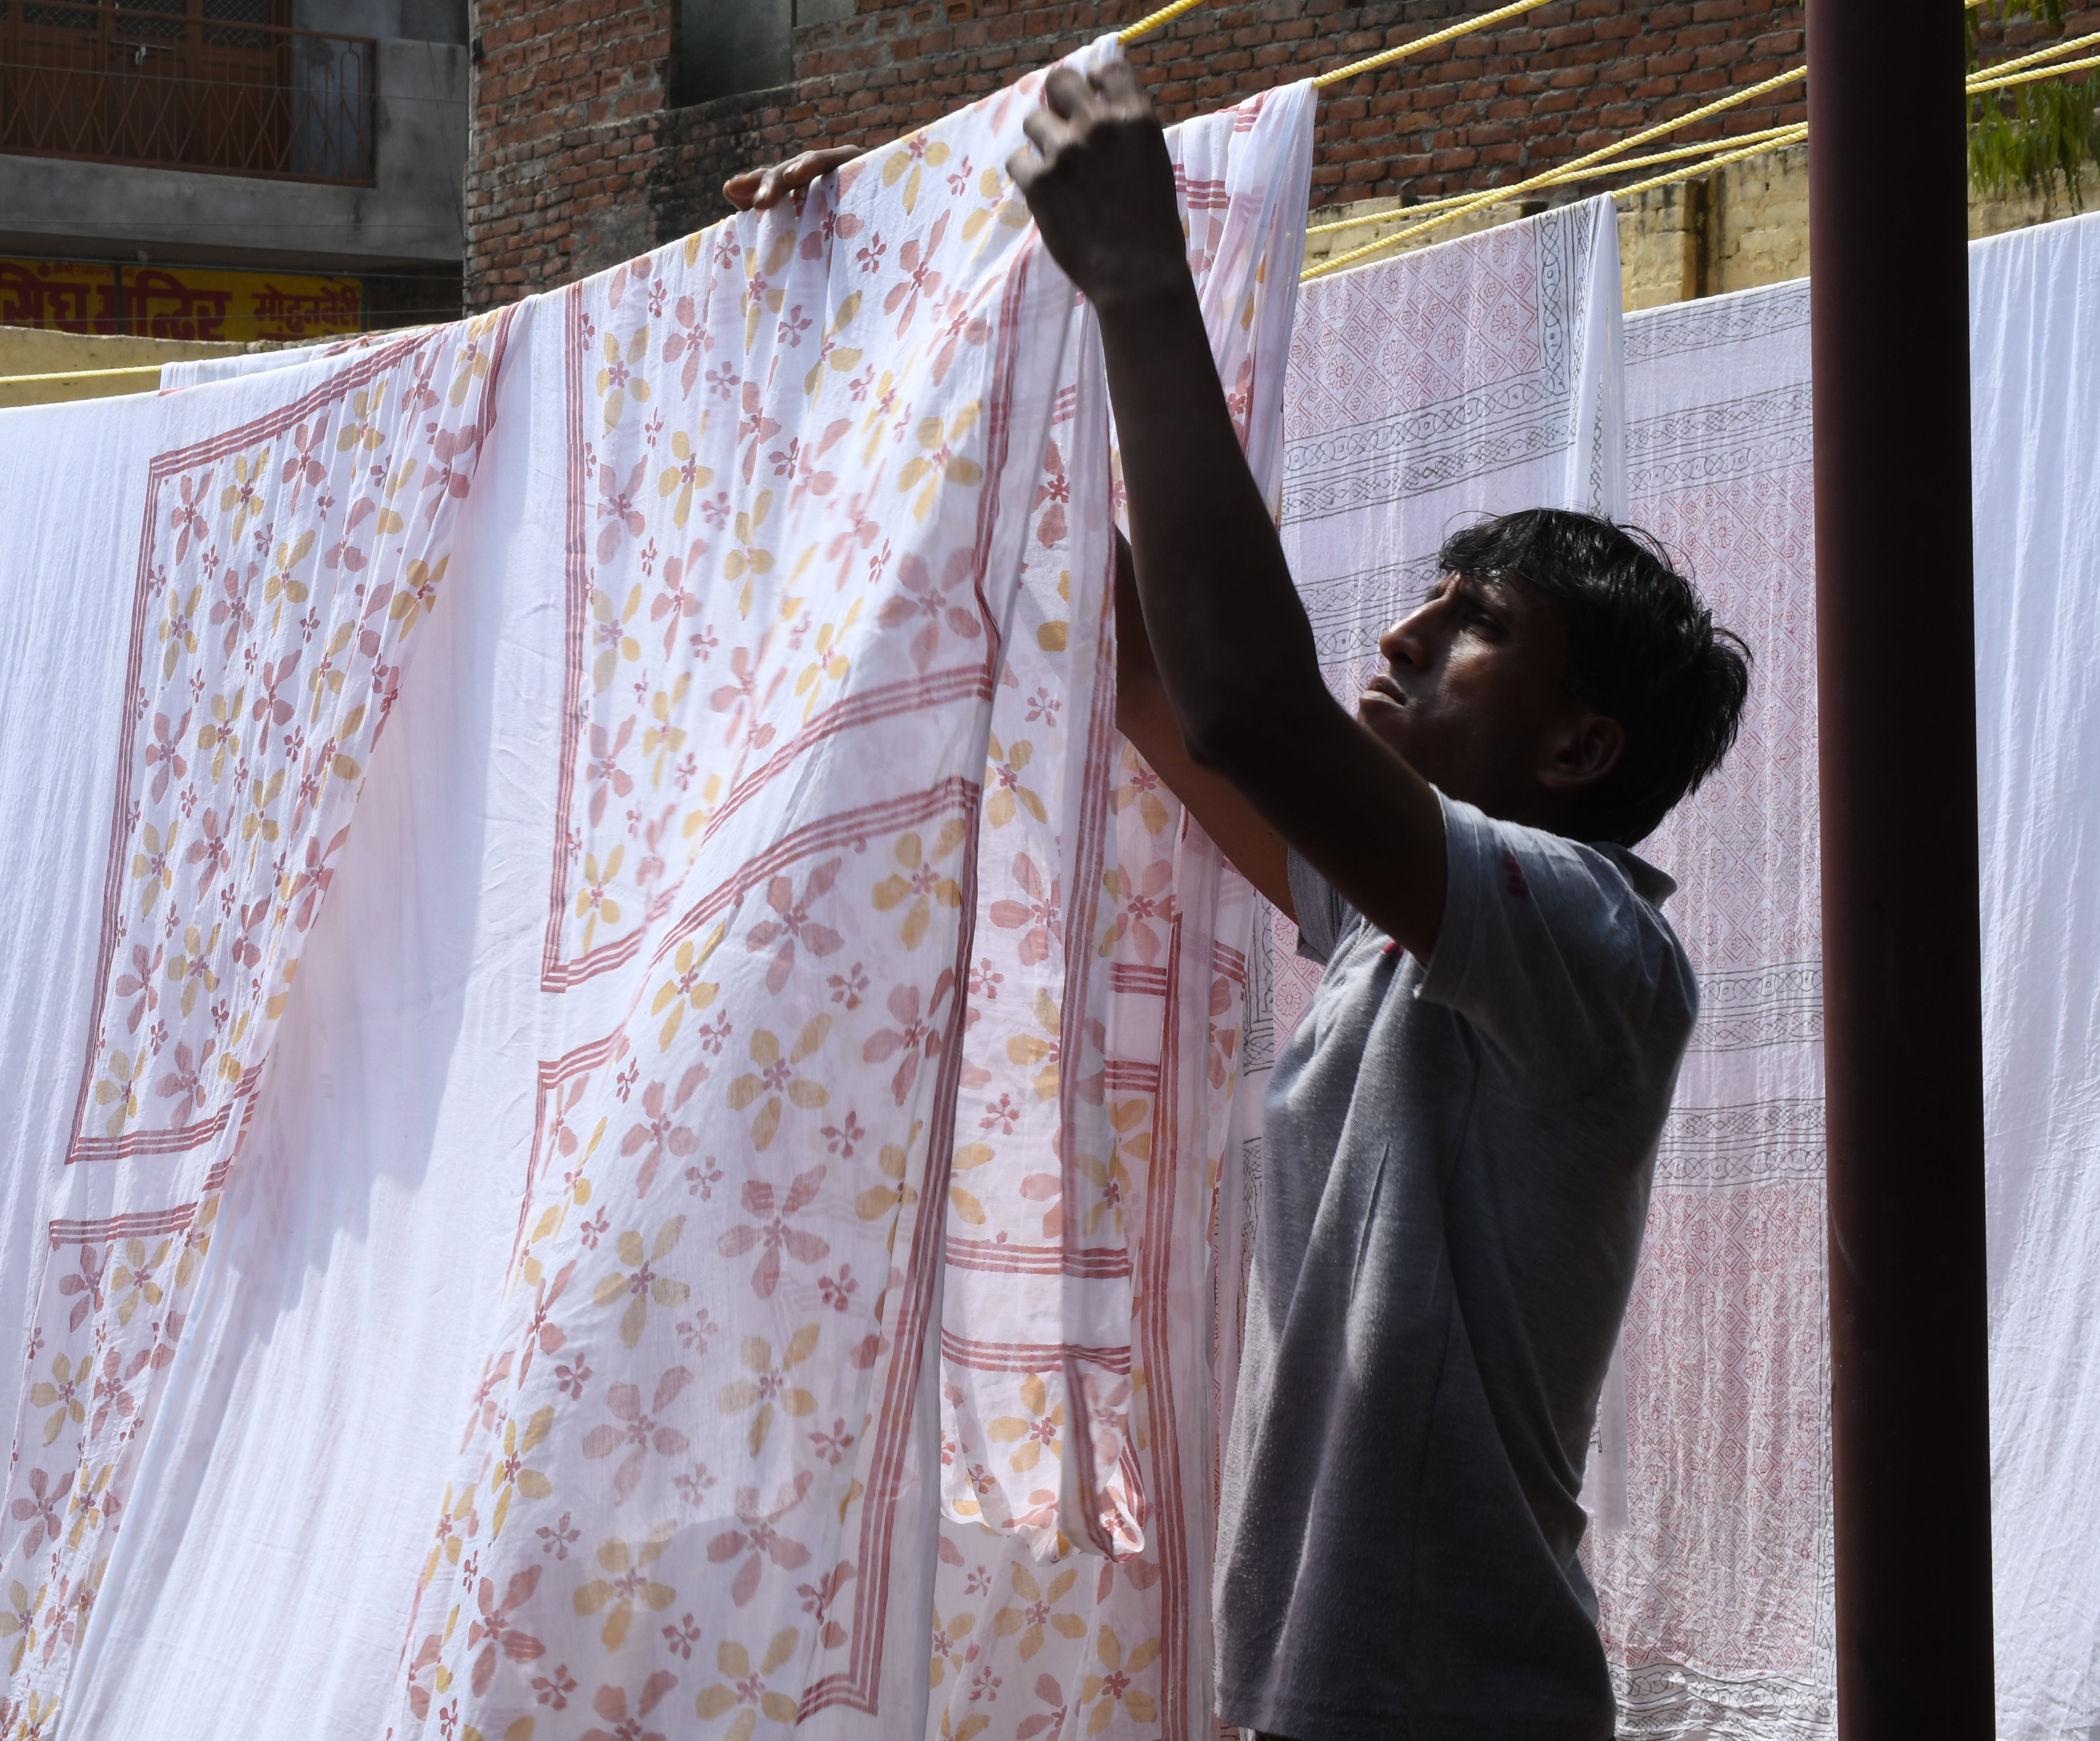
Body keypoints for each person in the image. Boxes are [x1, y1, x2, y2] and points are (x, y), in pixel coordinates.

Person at [729, 50, 1750, 1741]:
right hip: (1319, 1694)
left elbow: (1238, 702)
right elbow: (1145, 661)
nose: (1410, 633)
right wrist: (900, 298)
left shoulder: (1591, 946)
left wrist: (1142, 280)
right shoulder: (1391, 945)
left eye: (1476, 616)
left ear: (1579, 745)